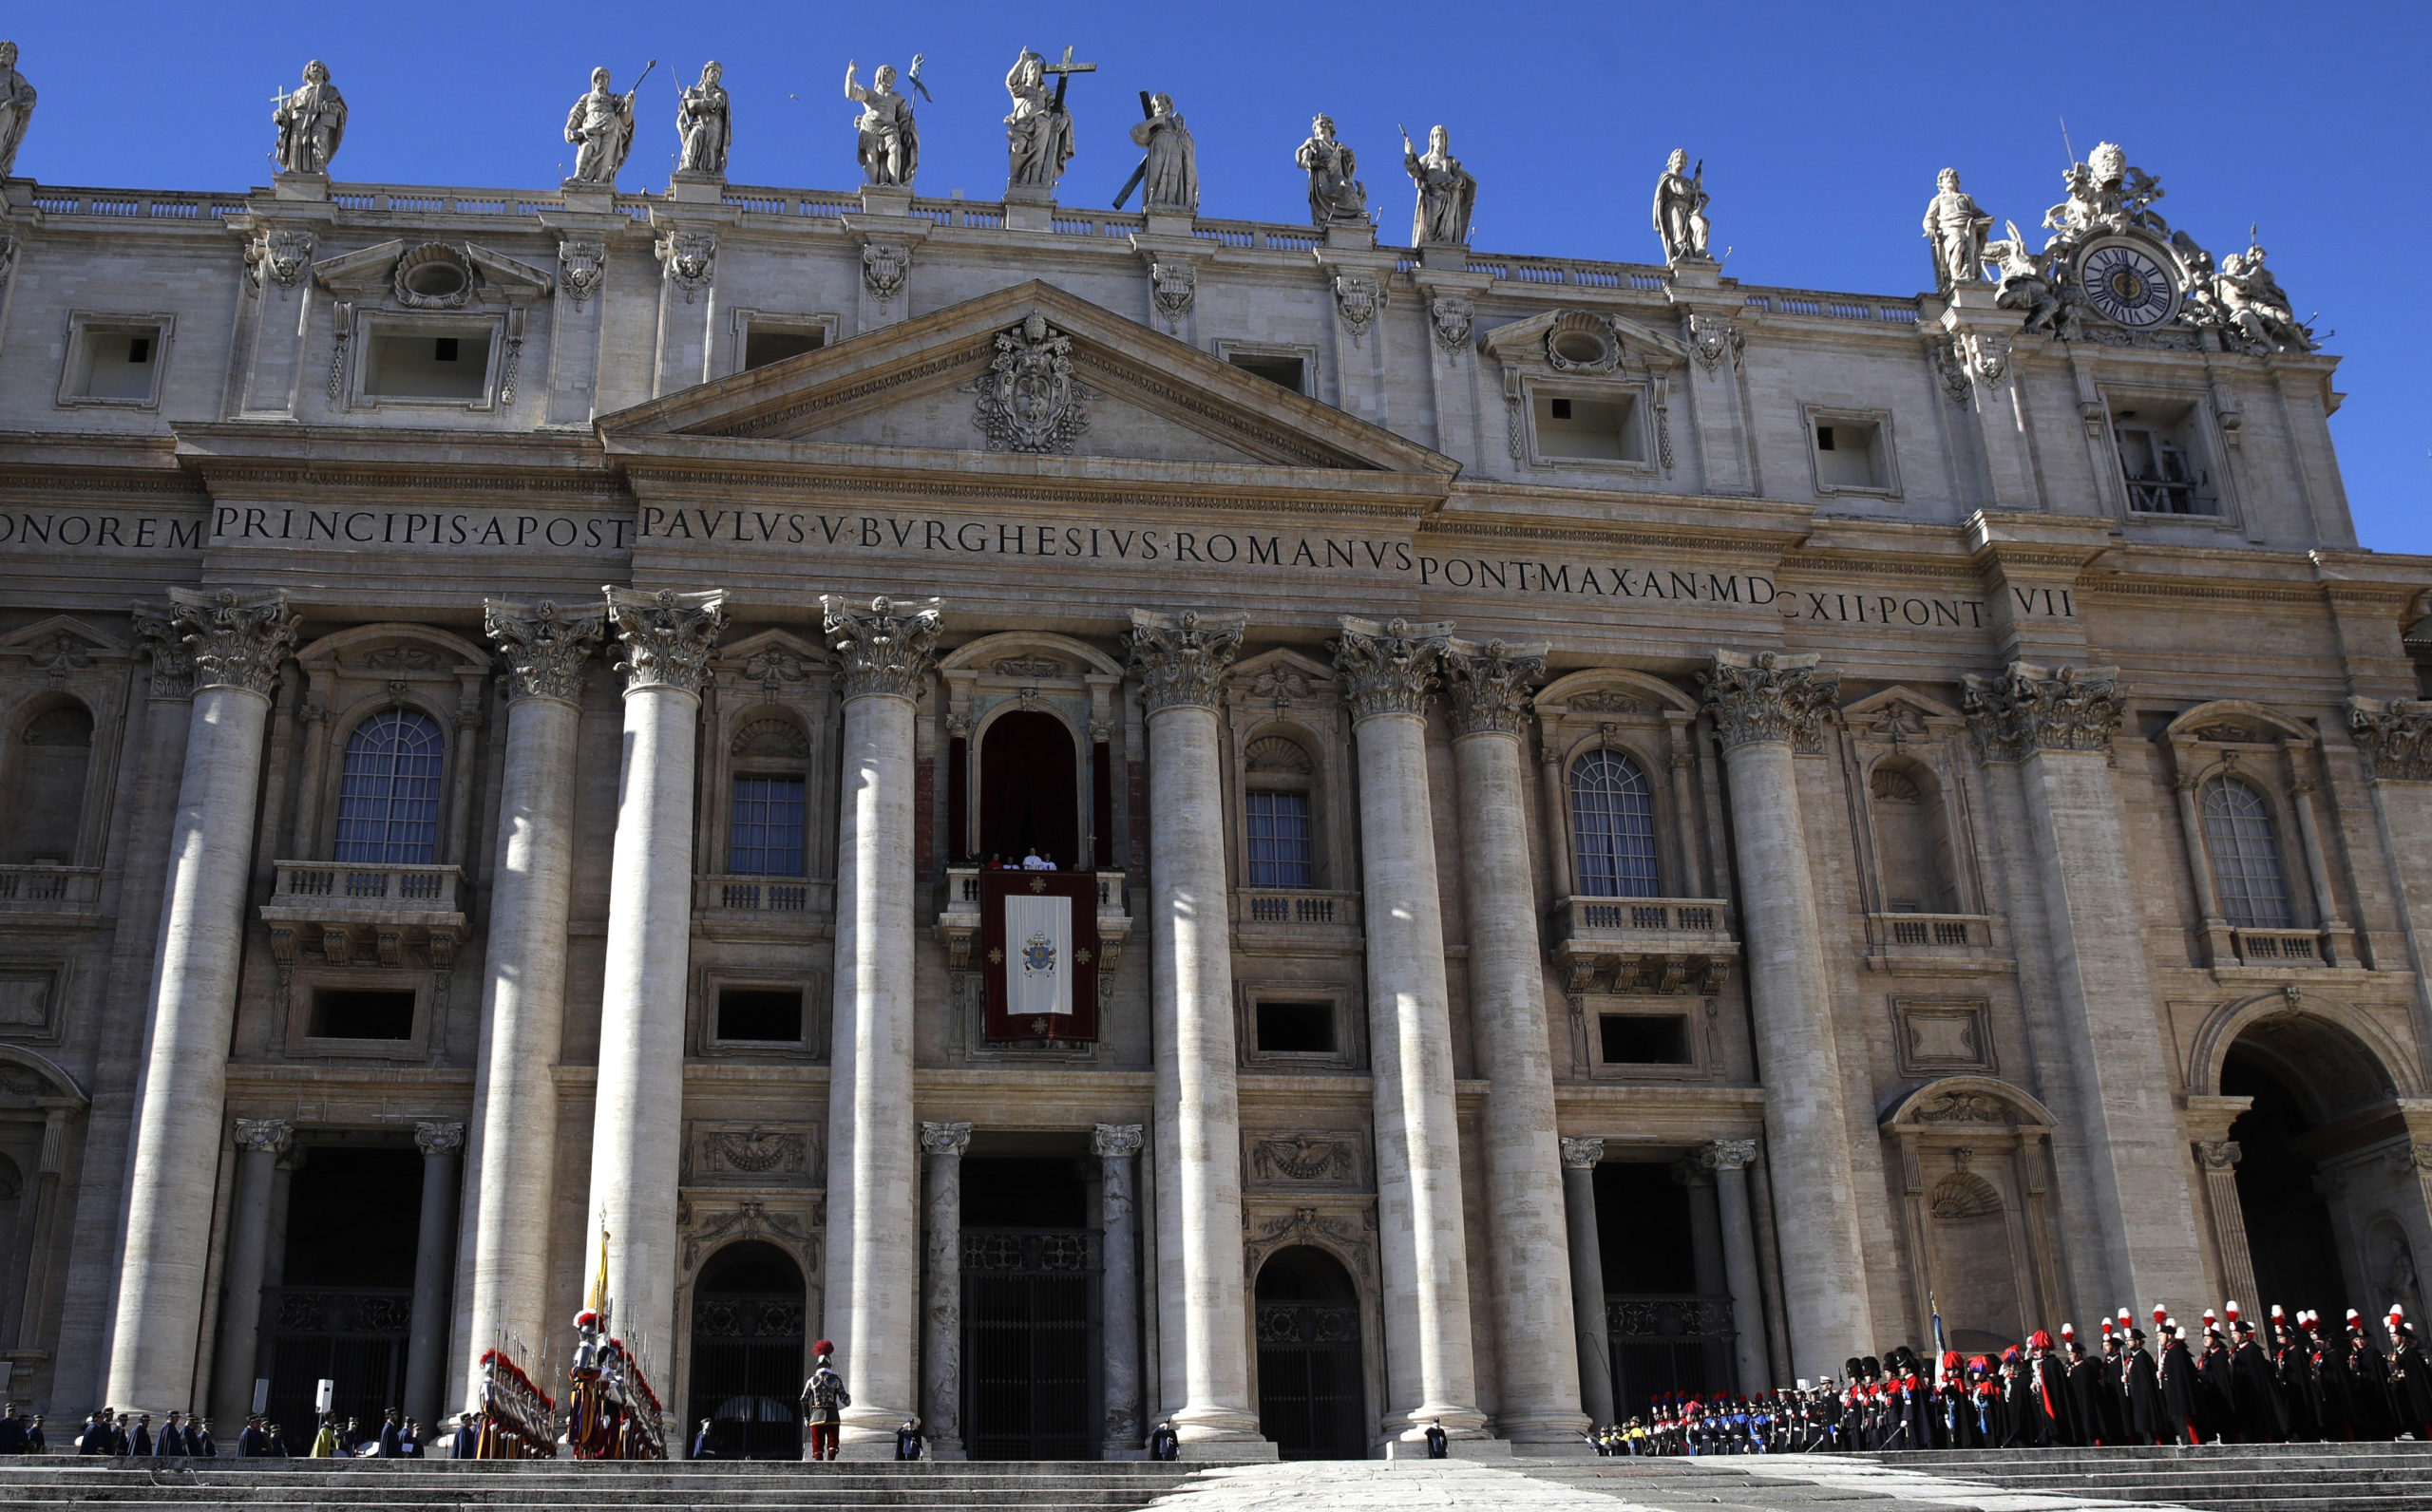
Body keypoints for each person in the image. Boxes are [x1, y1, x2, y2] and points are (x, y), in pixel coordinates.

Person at [799, 1341, 849, 1462]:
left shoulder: (812, 1380)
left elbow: (804, 1399)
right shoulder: (835, 1380)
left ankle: (819, 1465)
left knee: (817, 1446)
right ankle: (830, 1463)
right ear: (830, 1364)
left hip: (816, 1415)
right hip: (832, 1414)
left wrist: (806, 1416)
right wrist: (848, 1398)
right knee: (833, 1444)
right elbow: (845, 1400)